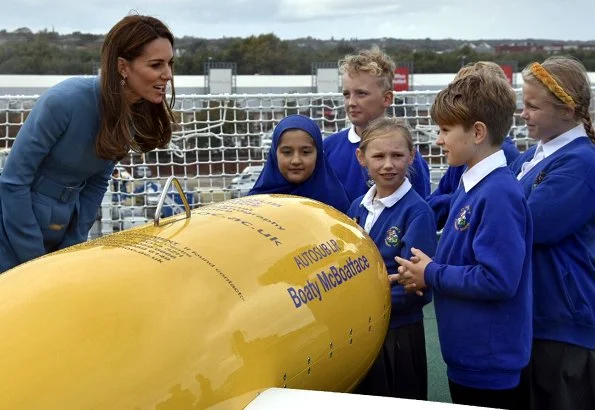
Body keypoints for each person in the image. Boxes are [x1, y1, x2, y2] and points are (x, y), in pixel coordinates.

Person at [393, 72, 532, 410]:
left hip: (488, 365)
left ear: (478, 132)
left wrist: (432, 273)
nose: (439, 141)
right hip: (470, 359)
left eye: (445, 131)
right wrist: (421, 273)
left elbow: (498, 279)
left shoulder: (497, 193)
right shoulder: (472, 185)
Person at [0, 14, 176, 273]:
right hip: (11, 234)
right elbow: (13, 181)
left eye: (170, 64)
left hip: (60, 236)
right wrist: (35, 260)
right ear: (123, 67)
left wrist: (71, 248)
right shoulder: (65, 101)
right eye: (156, 65)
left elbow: (97, 182)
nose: (168, 75)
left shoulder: (132, 114)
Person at [509, 56, 595, 410]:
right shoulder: (535, 155)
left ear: (567, 110)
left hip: (563, 321)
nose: (523, 114)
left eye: (533, 106)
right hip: (538, 316)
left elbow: (533, 223)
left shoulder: (581, 162)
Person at [348, 117, 436, 400]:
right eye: (379, 156)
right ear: (362, 158)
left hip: (399, 334)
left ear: (411, 156)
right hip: (363, 333)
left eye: (397, 155)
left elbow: (416, 290)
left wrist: (365, 302)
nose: (388, 164)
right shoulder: (356, 207)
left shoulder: (418, 213)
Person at [323, 47, 431, 202]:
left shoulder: (406, 155)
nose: (351, 102)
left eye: (361, 93)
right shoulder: (328, 148)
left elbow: (420, 211)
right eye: (346, 94)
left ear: (387, 99)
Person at [426, 61, 521, 229]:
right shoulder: (464, 154)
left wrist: (455, 199)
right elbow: (433, 205)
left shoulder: (500, 182)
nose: (439, 140)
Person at [248, 114, 350, 213]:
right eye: (287, 152)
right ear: (274, 155)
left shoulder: (335, 203)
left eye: (305, 152)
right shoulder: (254, 205)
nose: (296, 161)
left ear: (318, 155)